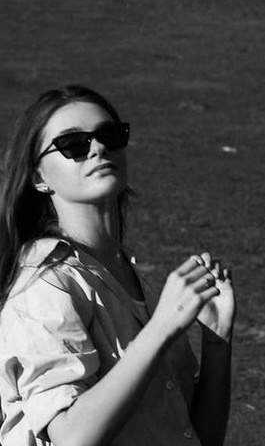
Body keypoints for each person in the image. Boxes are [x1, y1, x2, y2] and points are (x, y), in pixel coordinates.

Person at [0, 85, 235, 446]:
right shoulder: (45, 287)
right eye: (73, 145)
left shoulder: (128, 276)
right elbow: (72, 437)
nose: (98, 148)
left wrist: (217, 340)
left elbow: (196, 437)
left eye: (110, 135)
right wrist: (161, 328)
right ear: (39, 178)